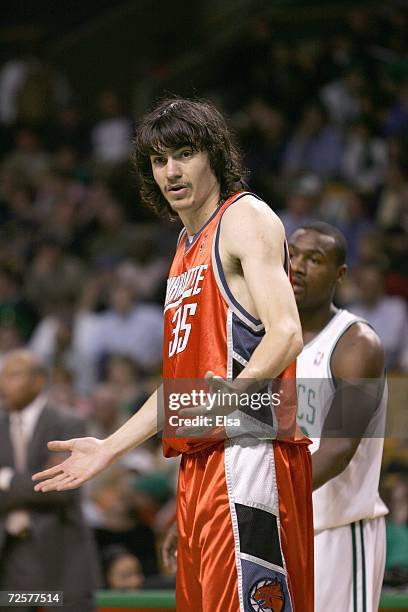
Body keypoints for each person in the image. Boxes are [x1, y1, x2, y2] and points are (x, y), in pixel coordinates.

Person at [32, 98, 313, 611]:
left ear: (215, 157)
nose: (172, 171)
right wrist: (110, 447)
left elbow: (286, 333)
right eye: (160, 160)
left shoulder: (244, 217)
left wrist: (226, 401)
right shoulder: (185, 245)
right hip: (199, 464)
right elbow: (181, 390)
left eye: (184, 153)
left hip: (246, 454)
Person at [288, 222, 388, 612]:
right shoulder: (267, 342)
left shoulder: (356, 343)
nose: (297, 266)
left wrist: (265, 500)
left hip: (339, 533)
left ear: (340, 274)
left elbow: (338, 450)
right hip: (281, 529)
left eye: (314, 259)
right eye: (292, 254)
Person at [0, 350, 100, 611]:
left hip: (62, 556)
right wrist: (31, 482)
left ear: (38, 381)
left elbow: (60, 488)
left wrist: (6, 479)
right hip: (11, 560)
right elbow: (44, 484)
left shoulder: (68, 423)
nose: (3, 383)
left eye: (13, 375)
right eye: (2, 375)